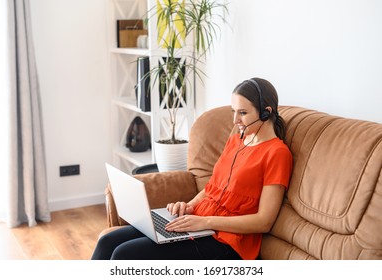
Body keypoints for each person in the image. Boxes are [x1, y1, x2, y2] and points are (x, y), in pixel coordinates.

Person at [91, 77, 293, 260]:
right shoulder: (236, 141)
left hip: (226, 242)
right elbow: (213, 188)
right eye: (234, 112)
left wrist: (205, 223)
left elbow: (264, 221)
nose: (235, 121)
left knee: (123, 254)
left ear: (266, 113)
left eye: (243, 113)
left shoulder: (277, 154)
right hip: (198, 222)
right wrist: (188, 206)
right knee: (108, 242)